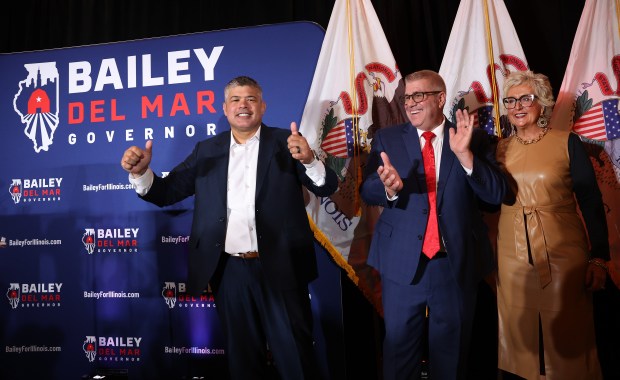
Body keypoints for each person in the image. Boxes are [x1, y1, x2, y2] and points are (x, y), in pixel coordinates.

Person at [120, 75, 338, 380]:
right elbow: (166, 192)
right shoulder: (206, 150)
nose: (243, 105)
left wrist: (311, 159)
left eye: (250, 99)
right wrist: (142, 173)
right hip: (229, 272)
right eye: (235, 100)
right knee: (243, 361)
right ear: (225, 109)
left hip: (283, 267)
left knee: (296, 359)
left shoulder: (287, 143)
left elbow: (327, 187)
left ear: (262, 106)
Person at [359, 69, 507, 380]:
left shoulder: (474, 139)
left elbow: (496, 196)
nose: (410, 103)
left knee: (451, 358)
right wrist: (390, 188)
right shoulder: (388, 138)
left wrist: (466, 157)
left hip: (453, 265)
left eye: (418, 96)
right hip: (402, 265)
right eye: (406, 97)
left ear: (440, 98)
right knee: (398, 355)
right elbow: (368, 188)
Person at [495, 70, 609, 380]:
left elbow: (591, 201)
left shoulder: (567, 143)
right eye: (511, 100)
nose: (517, 106)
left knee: (568, 340)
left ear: (542, 103)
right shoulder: (499, 149)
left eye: (525, 99)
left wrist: (599, 257)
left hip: (562, 255)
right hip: (512, 257)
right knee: (521, 344)